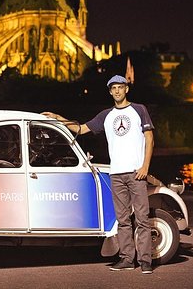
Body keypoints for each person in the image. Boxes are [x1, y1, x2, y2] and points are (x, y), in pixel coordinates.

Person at [43, 74, 155, 275]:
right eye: (114, 88)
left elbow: (149, 138)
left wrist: (145, 167)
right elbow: (82, 128)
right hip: (116, 173)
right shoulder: (106, 115)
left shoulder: (139, 110)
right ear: (110, 91)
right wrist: (59, 119)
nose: (118, 91)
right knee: (122, 220)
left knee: (142, 218)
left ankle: (145, 260)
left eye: (121, 87)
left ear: (126, 89)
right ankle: (127, 259)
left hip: (136, 173)